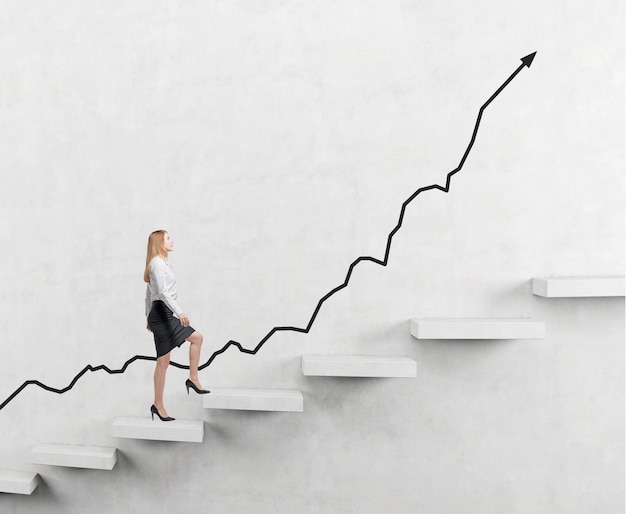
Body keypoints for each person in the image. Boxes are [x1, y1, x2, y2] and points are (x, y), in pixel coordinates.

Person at [144, 230, 209, 422]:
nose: (171, 241)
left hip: (162, 312)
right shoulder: (156, 263)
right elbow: (161, 293)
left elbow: (149, 293)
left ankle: (193, 379)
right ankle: (158, 404)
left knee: (196, 339)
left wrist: (148, 316)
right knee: (163, 363)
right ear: (159, 242)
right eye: (168, 238)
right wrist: (179, 312)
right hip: (162, 312)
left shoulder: (162, 263)